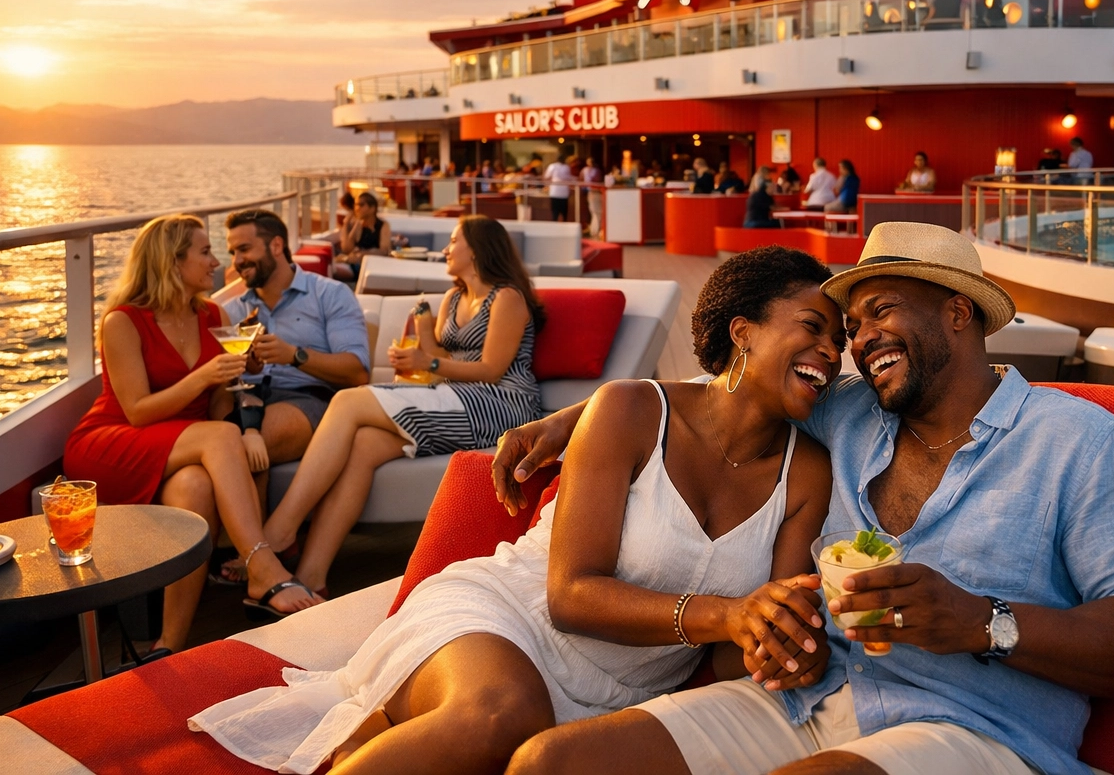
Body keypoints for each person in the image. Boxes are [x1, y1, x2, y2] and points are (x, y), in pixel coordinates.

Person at [498, 222, 1114, 775]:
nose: (859, 340)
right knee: (551, 764)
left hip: (971, 730)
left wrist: (977, 621)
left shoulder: (1081, 442)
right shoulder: (849, 415)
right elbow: (726, 394)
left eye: (880, 313)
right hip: (807, 701)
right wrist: (584, 417)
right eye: (851, 328)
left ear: (958, 313)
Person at [190, 246, 842, 774]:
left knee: (511, 734)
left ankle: (389, 732)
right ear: (743, 331)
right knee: (496, 717)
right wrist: (728, 614)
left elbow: (736, 652)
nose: (832, 354)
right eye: (813, 328)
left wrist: (781, 644)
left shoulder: (805, 474)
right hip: (506, 619)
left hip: (626, 690)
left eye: (839, 342)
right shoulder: (631, 411)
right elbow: (570, 596)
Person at [238, 215, 544, 600]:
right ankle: (312, 576)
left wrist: (427, 363)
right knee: (364, 443)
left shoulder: (507, 297)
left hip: (502, 404)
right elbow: (434, 357)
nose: (447, 249)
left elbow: (491, 369)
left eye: (453, 241)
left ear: (479, 247)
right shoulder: (452, 298)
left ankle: (279, 531)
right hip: (454, 396)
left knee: (348, 400)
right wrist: (422, 342)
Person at [63, 216, 321, 649]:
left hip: (182, 441)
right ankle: (263, 572)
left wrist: (239, 372)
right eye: (205, 252)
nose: (218, 262)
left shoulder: (212, 314)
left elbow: (215, 409)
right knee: (221, 438)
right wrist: (203, 377)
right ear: (171, 260)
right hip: (113, 441)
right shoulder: (123, 321)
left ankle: (168, 644)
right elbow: (138, 412)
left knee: (196, 488)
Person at [221, 208, 371, 488]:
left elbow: (357, 373)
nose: (237, 261)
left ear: (276, 246)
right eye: (232, 252)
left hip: (308, 397)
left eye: (244, 249)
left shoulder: (330, 294)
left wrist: (294, 356)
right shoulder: (230, 311)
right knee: (217, 447)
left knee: (237, 446)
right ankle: (258, 533)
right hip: (243, 400)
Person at [335, 192, 391, 283]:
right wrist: (345, 224)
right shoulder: (358, 224)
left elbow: (384, 250)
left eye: (361, 205)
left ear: (372, 208)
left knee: (336, 269)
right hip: (356, 263)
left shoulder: (383, 225)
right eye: (356, 205)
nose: (357, 208)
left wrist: (362, 255)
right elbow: (346, 249)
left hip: (374, 264)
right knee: (333, 267)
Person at [545, 156, 574, 222]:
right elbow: (569, 178)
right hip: (564, 192)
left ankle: (555, 225)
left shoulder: (552, 166)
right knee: (564, 212)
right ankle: (563, 225)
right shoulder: (566, 167)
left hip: (555, 191)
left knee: (555, 211)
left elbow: (547, 176)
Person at [581, 157, 605, 238]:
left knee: (596, 213)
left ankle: (595, 230)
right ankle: (595, 230)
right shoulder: (588, 170)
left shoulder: (594, 171)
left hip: (594, 192)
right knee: (596, 213)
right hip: (592, 192)